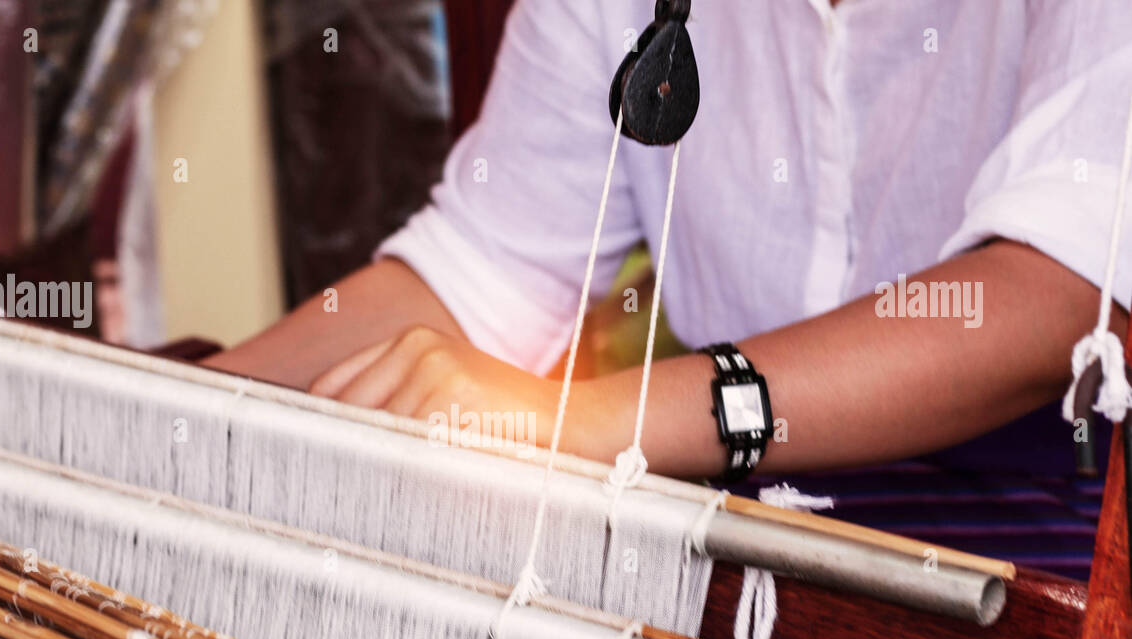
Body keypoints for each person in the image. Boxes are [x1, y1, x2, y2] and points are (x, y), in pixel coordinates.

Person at [209, 0, 1132, 503]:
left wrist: (592, 422)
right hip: (755, 595)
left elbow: (1065, 293)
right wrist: (170, 409)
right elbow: (481, 267)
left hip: (1071, 570)